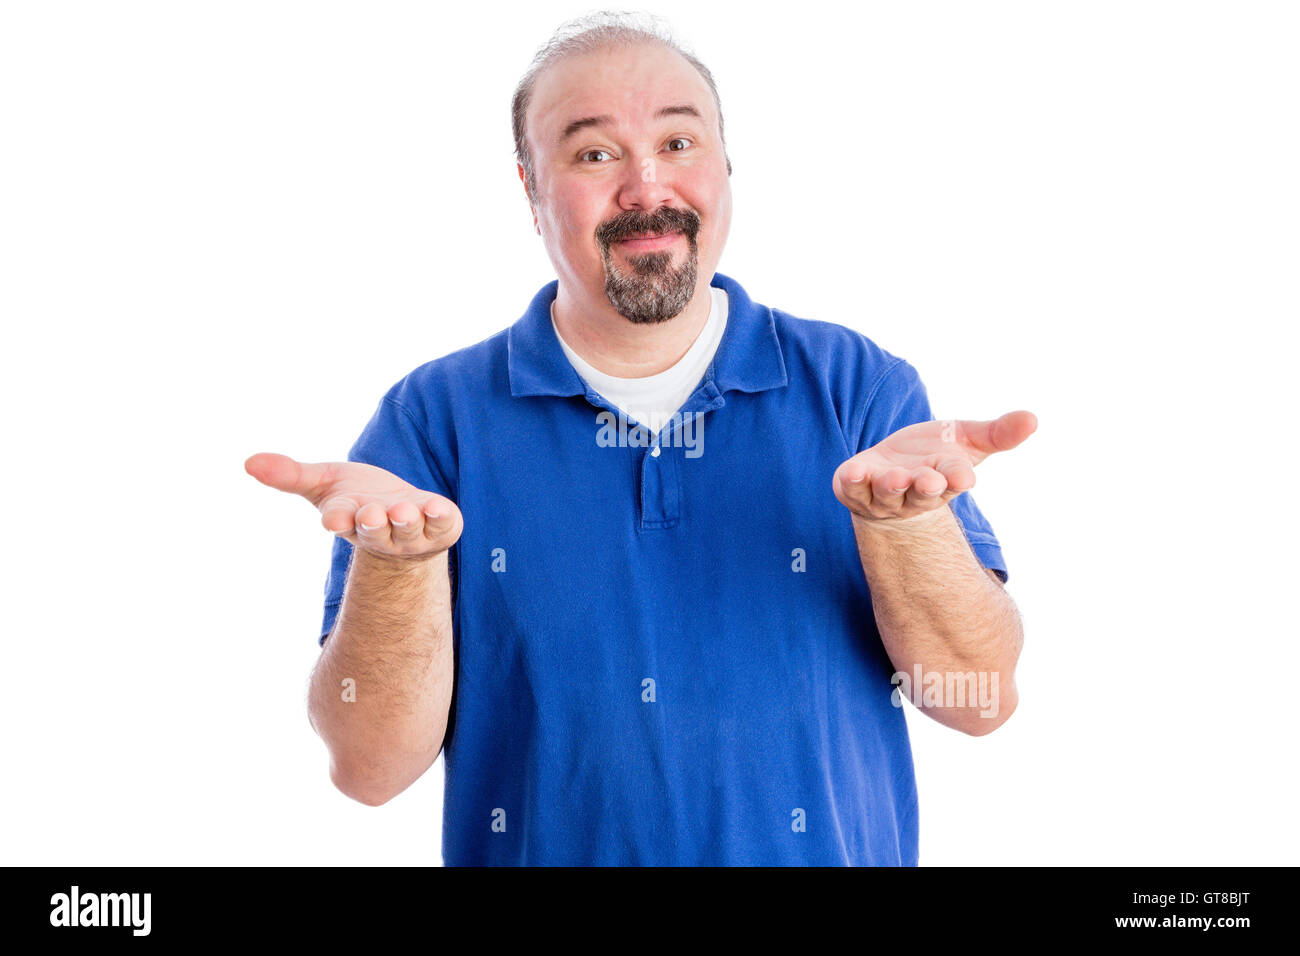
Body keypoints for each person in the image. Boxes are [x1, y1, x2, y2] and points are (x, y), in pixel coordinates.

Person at [245, 11, 1036, 866]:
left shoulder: (857, 388)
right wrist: (398, 570)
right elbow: (368, 772)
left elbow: (982, 701)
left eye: (680, 143)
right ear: (529, 186)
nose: (646, 187)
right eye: (594, 153)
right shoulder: (431, 423)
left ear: (726, 167)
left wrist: (906, 528)